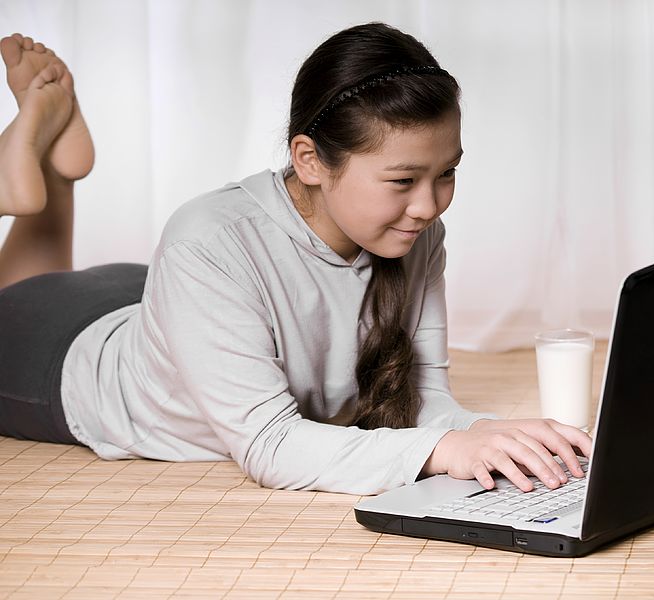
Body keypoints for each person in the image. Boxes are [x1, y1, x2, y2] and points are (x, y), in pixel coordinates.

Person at [0, 24, 592, 495]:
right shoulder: (209, 241)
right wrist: (443, 451)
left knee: (44, 282)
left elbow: (422, 400)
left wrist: (487, 432)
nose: (428, 204)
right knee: (12, 300)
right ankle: (25, 177)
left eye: (447, 173)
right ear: (309, 160)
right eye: (404, 179)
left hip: (153, 302)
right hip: (58, 361)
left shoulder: (410, 233)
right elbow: (269, 445)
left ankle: (51, 167)